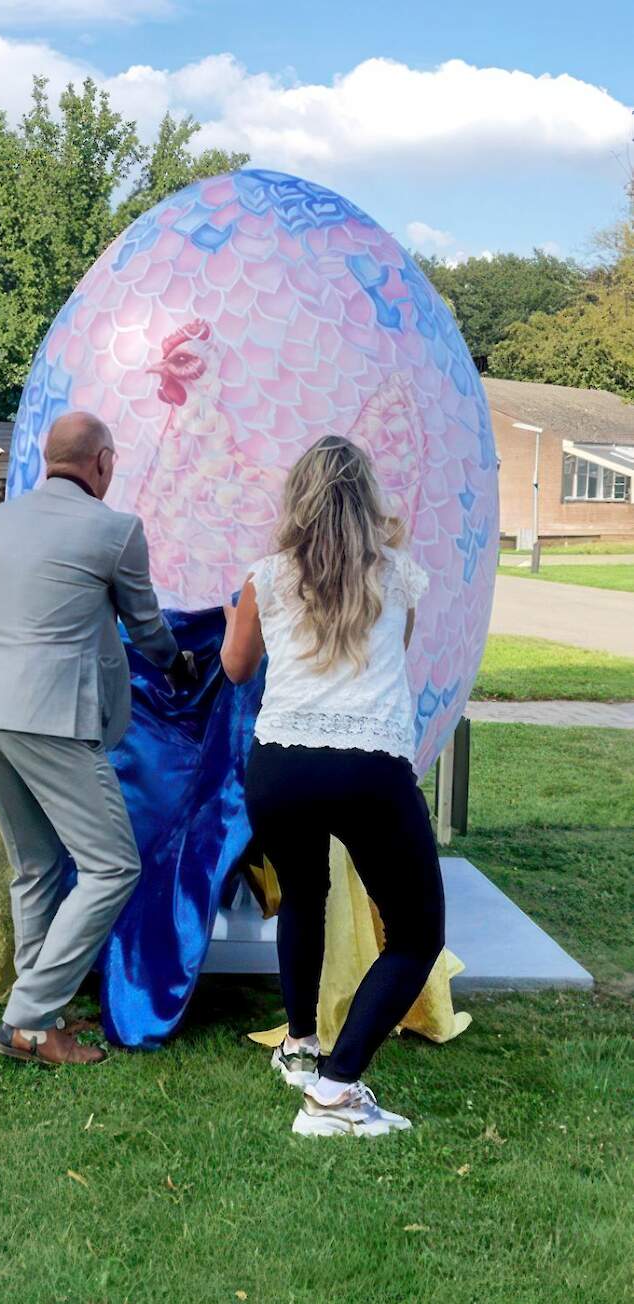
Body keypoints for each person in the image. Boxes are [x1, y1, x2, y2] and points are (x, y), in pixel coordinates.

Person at [0, 411, 194, 1067]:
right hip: (47, 715)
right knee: (113, 864)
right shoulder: (115, 530)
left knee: (36, 866)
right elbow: (148, 627)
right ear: (102, 461)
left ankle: (37, 1007)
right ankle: (26, 1020)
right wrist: (183, 667)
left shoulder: (4, 520)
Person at [220, 435, 445, 1137]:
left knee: (304, 900)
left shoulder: (266, 577)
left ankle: (299, 1049)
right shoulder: (397, 575)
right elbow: (391, 660)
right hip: (368, 767)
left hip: (281, 766)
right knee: (416, 933)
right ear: (366, 499)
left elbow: (234, 669)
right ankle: (334, 1091)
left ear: (299, 502)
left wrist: (240, 621)